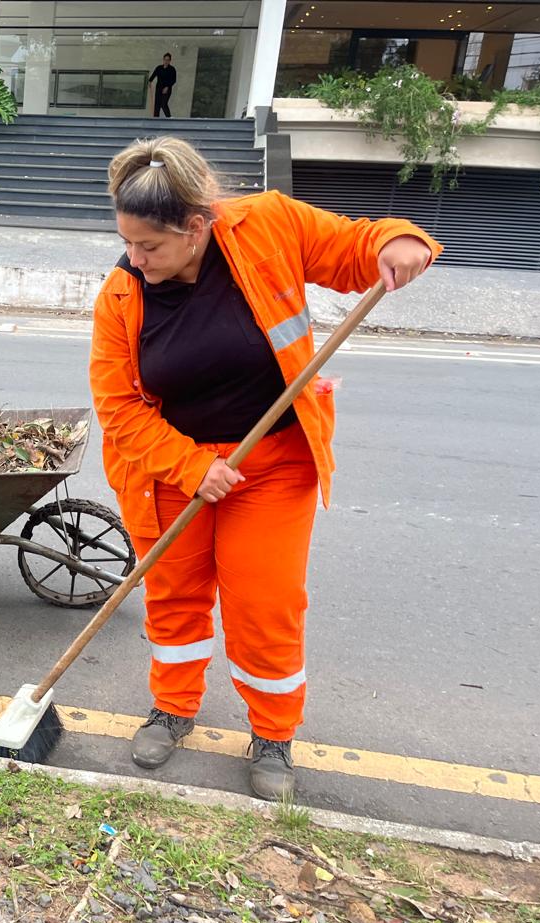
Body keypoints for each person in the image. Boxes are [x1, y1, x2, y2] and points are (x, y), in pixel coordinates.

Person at [89, 138, 440, 800]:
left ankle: (273, 734)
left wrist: (399, 240)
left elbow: (353, 246)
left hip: (272, 463)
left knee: (266, 604)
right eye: (126, 242)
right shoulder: (122, 294)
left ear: (197, 226)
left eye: (150, 246)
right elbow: (119, 409)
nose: (134, 259)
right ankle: (172, 709)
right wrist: (192, 465)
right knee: (173, 595)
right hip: (171, 471)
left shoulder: (269, 224)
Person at [148, 53, 176, 118]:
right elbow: (153, 75)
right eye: (165, 59)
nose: (166, 61)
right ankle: (155, 120)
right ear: (163, 60)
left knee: (163, 104)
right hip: (159, 88)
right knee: (157, 105)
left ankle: (169, 118)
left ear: (170, 61)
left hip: (167, 89)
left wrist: (167, 87)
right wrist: (150, 81)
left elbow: (174, 80)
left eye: (168, 60)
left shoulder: (172, 69)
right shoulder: (159, 68)